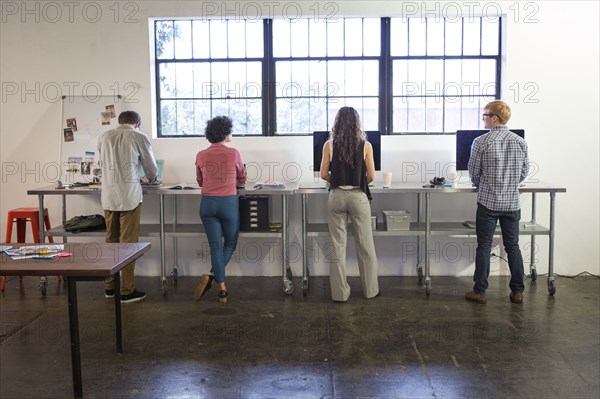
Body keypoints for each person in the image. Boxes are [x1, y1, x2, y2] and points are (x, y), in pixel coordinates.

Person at [466, 100, 529, 304]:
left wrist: (484, 184)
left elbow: (474, 173)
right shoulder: (520, 142)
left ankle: (480, 291)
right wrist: (509, 184)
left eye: (485, 115)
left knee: (484, 245)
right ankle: (518, 292)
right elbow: (524, 172)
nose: (483, 119)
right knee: (513, 246)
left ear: (495, 117)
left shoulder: (481, 142)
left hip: (488, 202)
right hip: (512, 203)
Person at [320, 106, 380, 302]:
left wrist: (336, 179)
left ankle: (340, 294)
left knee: (337, 247)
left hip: (336, 196)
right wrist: (359, 182)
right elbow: (371, 176)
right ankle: (370, 291)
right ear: (357, 123)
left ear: (337, 123)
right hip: (358, 197)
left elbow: (323, 175)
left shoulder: (329, 145)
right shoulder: (366, 145)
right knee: (365, 245)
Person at [98, 110, 158, 303]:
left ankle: (109, 287)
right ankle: (126, 290)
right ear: (137, 123)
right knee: (129, 243)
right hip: (129, 196)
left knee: (111, 241)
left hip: (109, 196)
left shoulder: (105, 136)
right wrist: (151, 178)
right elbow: (151, 167)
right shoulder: (138, 136)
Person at [194, 116, 247, 303]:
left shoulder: (201, 154)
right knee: (230, 244)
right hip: (227, 204)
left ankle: (222, 288)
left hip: (207, 204)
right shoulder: (234, 153)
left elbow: (200, 181)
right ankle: (212, 276)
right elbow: (242, 177)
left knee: (215, 246)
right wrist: (236, 181)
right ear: (225, 132)